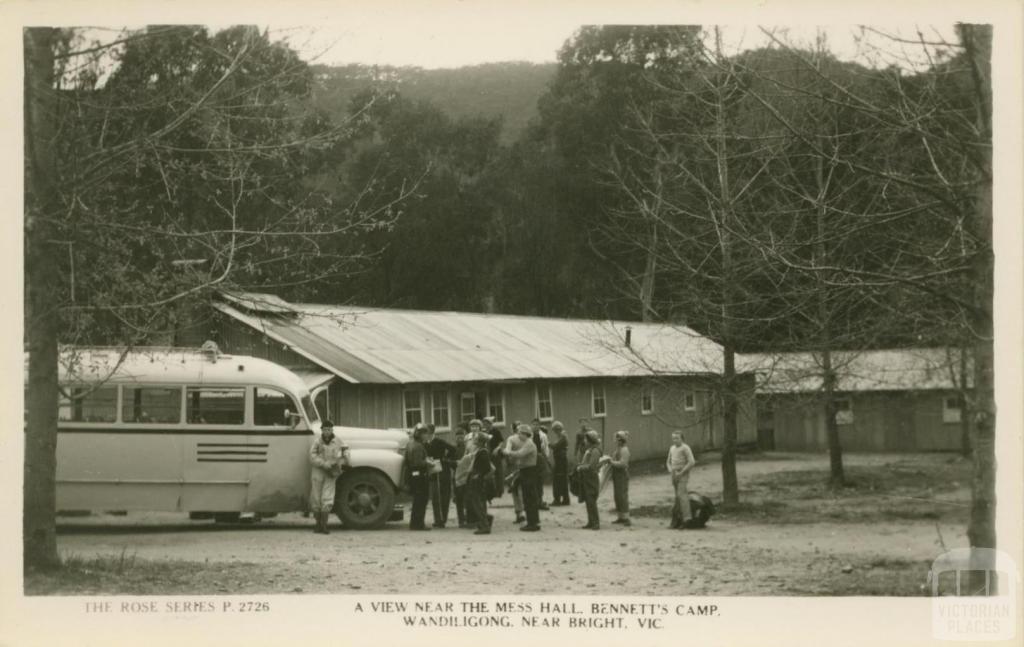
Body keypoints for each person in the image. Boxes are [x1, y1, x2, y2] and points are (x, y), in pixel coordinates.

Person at [309, 420, 347, 535]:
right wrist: (323, 463)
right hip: (318, 471)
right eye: (325, 429)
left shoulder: (338, 441)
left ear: (332, 430)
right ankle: (317, 524)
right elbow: (312, 455)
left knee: (328, 497)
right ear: (322, 430)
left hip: (331, 472)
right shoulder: (317, 442)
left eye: (329, 429)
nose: (327, 432)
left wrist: (339, 463)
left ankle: (324, 525)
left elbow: (345, 454)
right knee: (316, 497)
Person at [503, 423, 540, 531]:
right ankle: (533, 521)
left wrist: (508, 452)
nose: (518, 435)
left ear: (525, 434)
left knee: (529, 498)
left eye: (520, 433)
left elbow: (519, 454)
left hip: (529, 471)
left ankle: (532, 524)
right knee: (529, 497)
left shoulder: (529, 444)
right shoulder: (528, 443)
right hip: (527, 471)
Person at [427, 423, 457, 528]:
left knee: (443, 495)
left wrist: (446, 459)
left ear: (432, 432)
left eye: (428, 432)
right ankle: (438, 519)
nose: (427, 435)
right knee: (435, 496)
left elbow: (453, 449)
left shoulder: (439, 442)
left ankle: (442, 519)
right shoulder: (425, 443)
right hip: (432, 470)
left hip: (442, 471)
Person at [465, 430, 495, 535]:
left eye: (476, 439)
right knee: (477, 503)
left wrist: (479, 475)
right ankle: (486, 520)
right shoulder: (480, 451)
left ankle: (485, 526)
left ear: (481, 441)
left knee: (477, 503)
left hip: (477, 480)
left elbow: (486, 467)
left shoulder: (483, 452)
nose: (474, 440)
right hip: (476, 479)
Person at [667, 430, 697, 529]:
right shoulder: (672, 448)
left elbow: (691, 462)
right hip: (674, 473)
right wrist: (671, 470)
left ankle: (687, 519)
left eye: (677, 438)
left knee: (682, 495)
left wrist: (682, 471)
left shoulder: (685, 448)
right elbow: (668, 461)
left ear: (682, 438)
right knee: (677, 497)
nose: (675, 440)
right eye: (673, 438)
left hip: (683, 473)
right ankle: (676, 520)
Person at [407, 423, 432, 530]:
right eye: (425, 433)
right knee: (421, 500)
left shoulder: (411, 443)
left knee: (417, 500)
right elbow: (417, 463)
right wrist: (428, 463)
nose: (427, 435)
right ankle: (418, 524)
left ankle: (415, 523)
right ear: (419, 434)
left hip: (414, 475)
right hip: (419, 475)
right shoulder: (418, 446)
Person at [576, 429, 602, 530]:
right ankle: (591, 522)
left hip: (591, 478)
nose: (585, 441)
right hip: (587, 478)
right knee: (588, 500)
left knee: (591, 500)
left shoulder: (595, 451)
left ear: (590, 440)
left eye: (586, 439)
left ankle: (596, 523)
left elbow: (592, 466)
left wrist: (581, 467)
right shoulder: (591, 449)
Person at [608, 430, 632, 526]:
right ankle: (620, 516)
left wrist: (611, 462)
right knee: (617, 496)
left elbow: (623, 463)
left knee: (622, 496)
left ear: (622, 440)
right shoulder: (618, 449)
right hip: (617, 475)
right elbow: (614, 458)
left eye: (618, 439)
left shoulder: (624, 450)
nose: (616, 441)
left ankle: (626, 517)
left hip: (622, 475)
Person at [531, 418, 551, 511]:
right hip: (531, 460)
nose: (535, 426)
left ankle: (540, 500)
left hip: (540, 459)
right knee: (532, 481)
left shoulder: (543, 436)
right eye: (533, 425)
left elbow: (546, 448)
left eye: (537, 425)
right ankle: (534, 501)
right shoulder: (529, 435)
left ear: (539, 426)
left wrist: (546, 458)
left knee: (539, 481)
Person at [452, 423, 470, 527]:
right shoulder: (453, 449)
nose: (459, 438)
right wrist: (455, 463)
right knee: (458, 499)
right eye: (457, 436)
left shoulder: (467, 448)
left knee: (467, 498)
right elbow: (448, 460)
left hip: (466, 475)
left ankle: (468, 518)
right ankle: (461, 520)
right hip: (457, 476)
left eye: (461, 436)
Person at [548, 421, 570, 505]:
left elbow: (555, 446)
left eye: (555, 430)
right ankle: (565, 499)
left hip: (560, 461)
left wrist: (548, 443)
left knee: (558, 480)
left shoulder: (562, 436)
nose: (554, 432)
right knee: (562, 480)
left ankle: (557, 500)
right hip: (560, 460)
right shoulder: (561, 436)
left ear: (558, 429)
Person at [484, 417, 505, 499]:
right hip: (488, 454)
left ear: (490, 424)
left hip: (496, 454)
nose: (486, 425)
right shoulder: (484, 432)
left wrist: (497, 449)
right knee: (489, 471)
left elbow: (501, 441)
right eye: (485, 424)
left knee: (498, 472)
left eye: (487, 423)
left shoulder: (496, 431)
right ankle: (491, 491)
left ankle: (499, 491)